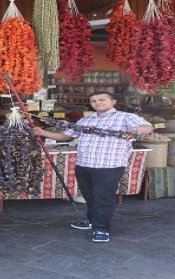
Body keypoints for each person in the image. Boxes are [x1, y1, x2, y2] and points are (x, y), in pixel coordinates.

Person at [33, 92, 153, 243]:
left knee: (103, 197)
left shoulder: (125, 117)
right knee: (89, 195)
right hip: (84, 163)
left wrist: (136, 131)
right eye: (94, 101)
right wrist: (43, 132)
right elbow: (67, 136)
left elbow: (147, 127)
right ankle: (92, 221)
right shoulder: (86, 120)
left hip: (109, 165)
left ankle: (102, 229)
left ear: (113, 101)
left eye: (102, 100)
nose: (98, 103)